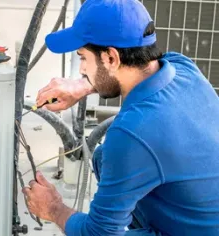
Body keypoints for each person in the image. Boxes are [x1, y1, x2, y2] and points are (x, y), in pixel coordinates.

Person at [21, 0, 219, 235]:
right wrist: (81, 87)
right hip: (204, 211)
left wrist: (53, 208)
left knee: (111, 158)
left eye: (83, 58)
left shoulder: (133, 132)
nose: (82, 69)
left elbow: (99, 232)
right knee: (104, 157)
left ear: (111, 58)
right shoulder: (182, 67)